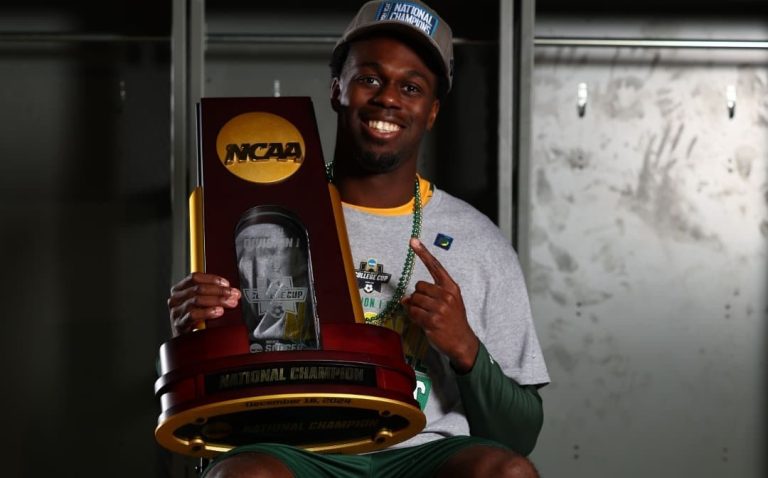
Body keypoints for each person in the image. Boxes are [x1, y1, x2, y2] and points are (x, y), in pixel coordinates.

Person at [167, 1, 550, 476]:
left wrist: (465, 347)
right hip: (295, 449)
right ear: (336, 90)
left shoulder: (479, 241)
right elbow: (216, 388)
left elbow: (521, 435)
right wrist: (196, 324)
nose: (388, 97)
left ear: (431, 112)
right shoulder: (268, 215)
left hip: (421, 453)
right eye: (370, 78)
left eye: (411, 87)